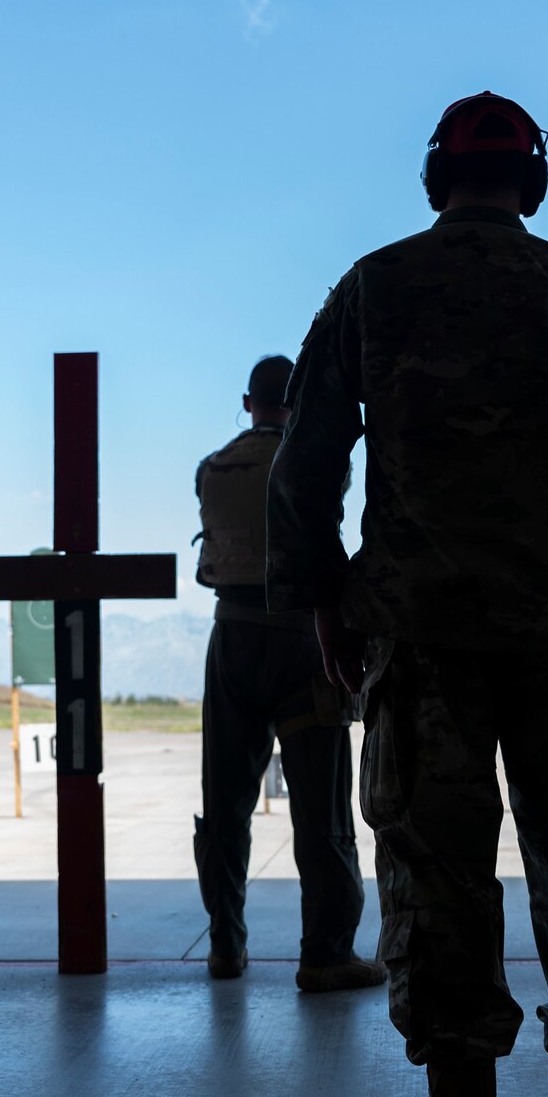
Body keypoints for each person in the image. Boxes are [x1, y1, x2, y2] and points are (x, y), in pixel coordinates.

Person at [268, 91, 548, 1097]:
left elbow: (303, 461)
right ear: (532, 181)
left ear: (434, 175)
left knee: (435, 867)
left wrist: (322, 599)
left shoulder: (375, 287)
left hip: (421, 639)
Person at [191, 354, 383, 992]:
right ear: (297, 401)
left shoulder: (212, 469)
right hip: (306, 644)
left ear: (248, 402)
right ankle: (325, 954)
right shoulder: (313, 459)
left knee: (225, 801)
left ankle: (225, 946)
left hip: (234, 642)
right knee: (321, 808)